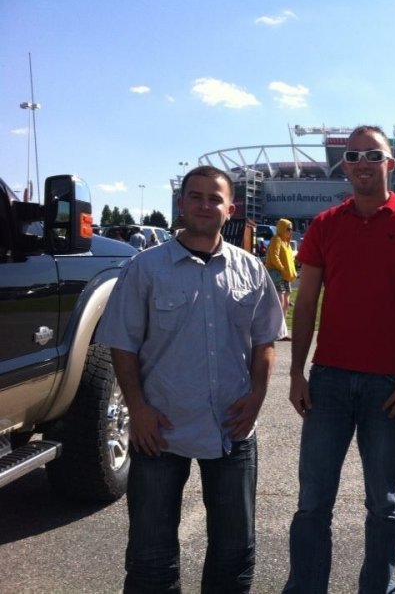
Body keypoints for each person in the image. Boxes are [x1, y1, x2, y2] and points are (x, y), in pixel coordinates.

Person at [96, 165, 287, 593]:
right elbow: (122, 345)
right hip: (159, 428)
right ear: (181, 204)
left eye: (214, 198)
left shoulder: (251, 270)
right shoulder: (145, 269)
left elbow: (265, 340)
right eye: (195, 197)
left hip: (232, 429)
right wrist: (137, 409)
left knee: (235, 552)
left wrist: (257, 395)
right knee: (151, 557)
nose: (204, 205)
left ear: (231, 209)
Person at [282, 125, 395, 594]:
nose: (362, 163)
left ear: (390, 164)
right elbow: (305, 304)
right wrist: (296, 372)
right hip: (329, 380)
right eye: (354, 156)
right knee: (313, 502)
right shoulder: (325, 225)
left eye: (373, 155)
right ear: (345, 165)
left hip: (387, 386)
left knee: (384, 503)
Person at [265, 218, 298, 340]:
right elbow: (274, 256)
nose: (290, 231)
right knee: (280, 303)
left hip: (285, 277)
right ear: (282, 228)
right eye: (288, 229)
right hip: (277, 275)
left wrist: (291, 272)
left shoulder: (287, 243)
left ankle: (282, 332)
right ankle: (274, 330)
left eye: (291, 229)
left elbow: (290, 260)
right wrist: (282, 268)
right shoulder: (276, 239)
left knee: (286, 304)